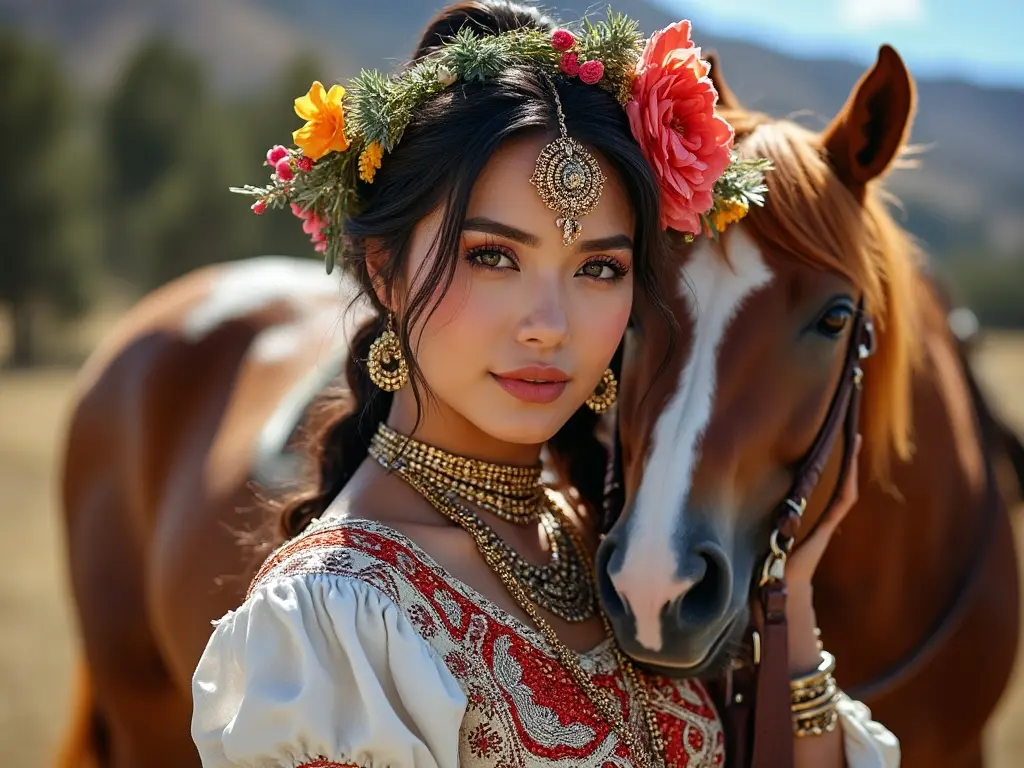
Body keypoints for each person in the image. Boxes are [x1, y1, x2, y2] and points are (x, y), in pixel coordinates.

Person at [191, 2, 900, 766]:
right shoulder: (333, 627)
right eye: (494, 256)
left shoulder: (608, 556)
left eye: (600, 268)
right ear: (385, 272)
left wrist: (788, 593)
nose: (549, 326)